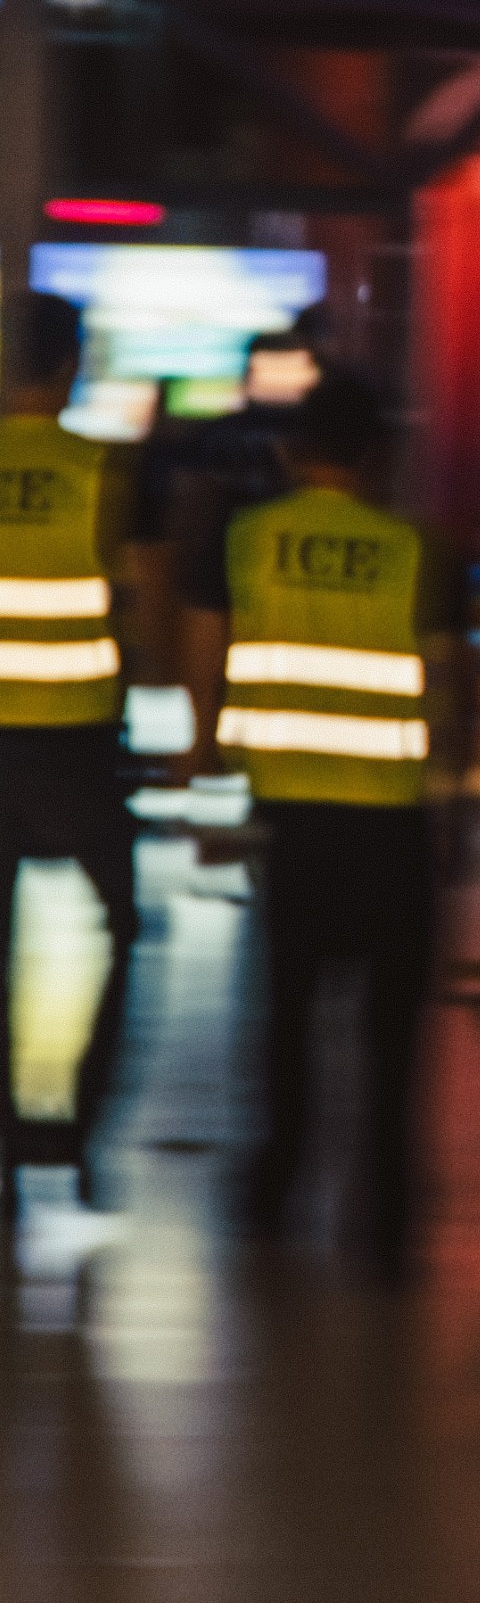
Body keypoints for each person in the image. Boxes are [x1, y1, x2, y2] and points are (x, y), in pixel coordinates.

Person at [181, 370, 453, 1273]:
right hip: (392, 819)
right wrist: (452, 820)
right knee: (389, 1036)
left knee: (287, 1014)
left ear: (293, 449)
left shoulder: (248, 536)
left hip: (289, 817)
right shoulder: (418, 548)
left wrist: (203, 776)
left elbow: (206, 660)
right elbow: (447, 690)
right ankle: (384, 1224)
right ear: (376, 456)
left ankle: (273, 1194)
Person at [0, 292, 137, 1214]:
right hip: (77, 740)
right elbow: (139, 600)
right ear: (70, 365)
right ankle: (76, 1129)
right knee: (122, 927)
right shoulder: (105, 470)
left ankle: (7, 1141)